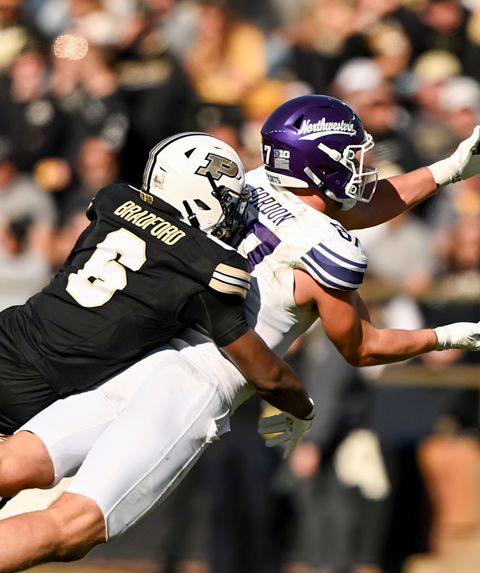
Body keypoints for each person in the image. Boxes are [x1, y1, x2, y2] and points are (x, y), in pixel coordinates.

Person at [0, 94, 480, 573]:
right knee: (77, 522)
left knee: (18, 460)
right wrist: (443, 337)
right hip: (200, 383)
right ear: (321, 163)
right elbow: (363, 347)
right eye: (350, 156)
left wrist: (445, 171)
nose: (361, 168)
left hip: (143, 355)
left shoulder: (255, 183)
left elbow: (360, 205)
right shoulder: (328, 253)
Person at [0, 131, 312, 436]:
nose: (235, 212)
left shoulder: (114, 200)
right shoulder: (208, 265)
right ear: (199, 197)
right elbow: (269, 377)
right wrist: (304, 408)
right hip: (32, 385)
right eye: (228, 201)